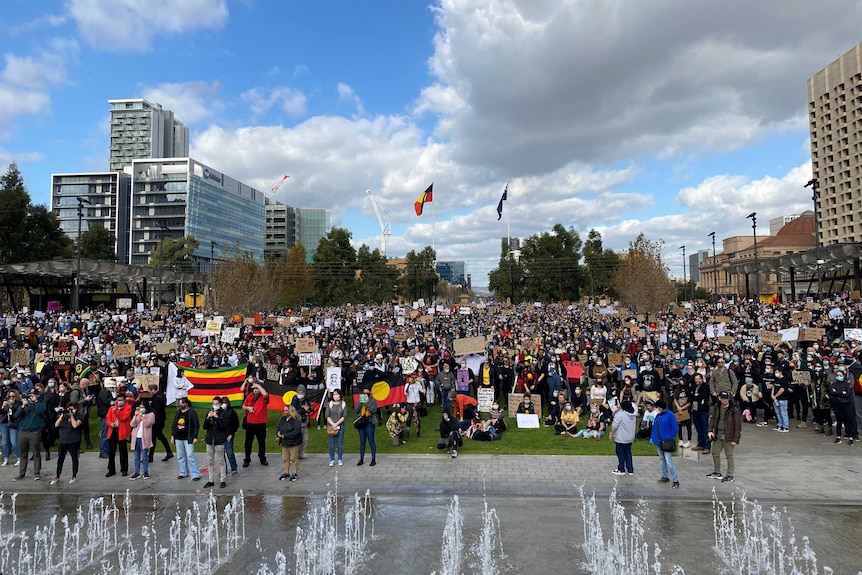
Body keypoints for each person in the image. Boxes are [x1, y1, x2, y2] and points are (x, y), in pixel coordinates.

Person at [706, 390, 742, 483]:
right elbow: (712, 419)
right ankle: (717, 472)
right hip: (718, 434)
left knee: (729, 455)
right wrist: (710, 430)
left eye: (726, 399)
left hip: (729, 436)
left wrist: (736, 439)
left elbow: (738, 426)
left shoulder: (734, 410)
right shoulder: (717, 407)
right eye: (723, 398)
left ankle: (730, 475)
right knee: (715, 452)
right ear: (719, 398)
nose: (724, 400)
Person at [50, 401, 83, 484]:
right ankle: (57, 475)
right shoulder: (64, 417)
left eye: (72, 409)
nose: (70, 410)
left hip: (74, 440)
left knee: (74, 458)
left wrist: (72, 416)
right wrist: (62, 415)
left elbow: (75, 425)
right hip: (63, 440)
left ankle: (74, 475)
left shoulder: (79, 416)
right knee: (60, 458)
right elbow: (56, 425)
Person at [650, 399, 679, 489]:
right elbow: (655, 428)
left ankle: (675, 479)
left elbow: (675, 428)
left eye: (658, 407)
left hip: (666, 441)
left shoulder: (670, 415)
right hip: (659, 441)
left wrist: (669, 436)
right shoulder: (658, 416)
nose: (657, 409)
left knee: (669, 461)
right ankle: (665, 476)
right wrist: (653, 438)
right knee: (662, 459)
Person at [170, 397, 201, 481]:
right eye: (180, 403)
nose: (181, 405)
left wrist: (195, 436)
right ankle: (183, 472)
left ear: (187, 404)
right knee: (180, 456)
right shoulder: (178, 413)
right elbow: (174, 425)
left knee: (190, 455)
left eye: (182, 403)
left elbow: (196, 425)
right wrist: (173, 435)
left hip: (188, 437)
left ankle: (195, 474)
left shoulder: (192, 412)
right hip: (178, 437)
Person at [203, 396, 230, 489]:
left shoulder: (224, 413)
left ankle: (223, 480)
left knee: (221, 461)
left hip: (219, 441)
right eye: (213, 404)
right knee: (210, 461)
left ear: (220, 404)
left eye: (217, 404)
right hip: (210, 440)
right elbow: (205, 427)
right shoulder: (210, 412)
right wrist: (208, 417)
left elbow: (224, 426)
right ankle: (211, 480)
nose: (215, 406)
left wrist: (217, 417)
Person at [242, 379, 269, 467]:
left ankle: (262, 458)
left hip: (261, 423)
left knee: (261, 442)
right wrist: (248, 408)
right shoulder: (250, 395)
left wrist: (258, 385)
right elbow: (243, 406)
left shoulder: (263, 397)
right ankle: (247, 459)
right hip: (250, 423)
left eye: (257, 387)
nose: (255, 389)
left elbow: (265, 394)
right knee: (248, 442)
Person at [105, 392, 133, 477]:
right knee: (111, 451)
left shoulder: (128, 408)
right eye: (118, 400)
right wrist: (110, 424)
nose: (119, 402)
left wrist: (116, 411)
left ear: (124, 400)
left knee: (123, 451)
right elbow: (108, 418)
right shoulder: (112, 408)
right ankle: (111, 469)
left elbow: (123, 418)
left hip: (122, 431)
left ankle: (124, 469)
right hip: (113, 430)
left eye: (121, 400)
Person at [830, 366, 858, 445]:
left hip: (847, 404)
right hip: (838, 404)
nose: (839, 377)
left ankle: (851, 436)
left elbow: (848, 393)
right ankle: (838, 436)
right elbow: (832, 392)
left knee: (849, 420)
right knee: (839, 420)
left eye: (840, 375)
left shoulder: (847, 384)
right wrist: (841, 392)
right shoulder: (834, 384)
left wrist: (837, 392)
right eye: (837, 375)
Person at [147, 383, 173, 463]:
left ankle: (151, 456)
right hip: (160, 420)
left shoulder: (157, 399)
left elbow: (155, 411)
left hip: (157, 421)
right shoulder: (161, 395)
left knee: (154, 437)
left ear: (152, 390)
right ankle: (168, 452)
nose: (149, 393)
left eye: (149, 391)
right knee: (160, 436)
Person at [129, 401, 155, 480]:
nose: (141, 409)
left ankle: (145, 472)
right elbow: (132, 424)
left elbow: (148, 424)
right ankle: (137, 472)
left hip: (144, 438)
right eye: (140, 407)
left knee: (144, 456)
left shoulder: (151, 415)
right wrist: (135, 415)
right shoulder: (138, 415)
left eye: (142, 407)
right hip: (136, 438)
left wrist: (143, 417)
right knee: (136, 457)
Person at [277, 405, 302, 481]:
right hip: (284, 443)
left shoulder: (295, 420)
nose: (284, 412)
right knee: (285, 458)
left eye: (286, 410)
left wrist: (286, 435)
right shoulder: (283, 419)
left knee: (293, 458)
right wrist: (278, 433)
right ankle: (286, 472)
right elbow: (278, 427)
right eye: (284, 410)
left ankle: (295, 473)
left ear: (290, 411)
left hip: (293, 442)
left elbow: (297, 431)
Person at [611, 400, 636, 475]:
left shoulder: (620, 415)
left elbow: (615, 425)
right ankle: (630, 469)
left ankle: (621, 469)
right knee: (628, 453)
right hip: (630, 437)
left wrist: (611, 432)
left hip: (621, 437)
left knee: (620, 453)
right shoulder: (633, 415)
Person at [355, 386, 378, 466]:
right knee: (362, 441)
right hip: (362, 422)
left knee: (371, 440)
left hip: (369, 422)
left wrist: (367, 404)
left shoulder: (373, 400)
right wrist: (361, 403)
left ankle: (373, 458)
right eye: (363, 393)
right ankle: (361, 458)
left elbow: (374, 410)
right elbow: (356, 410)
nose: (365, 394)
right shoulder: (360, 400)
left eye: (366, 393)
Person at [325, 389, 348, 466]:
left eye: (337, 394)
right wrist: (333, 424)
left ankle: (340, 459)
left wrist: (337, 424)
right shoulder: (330, 404)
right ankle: (332, 459)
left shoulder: (343, 404)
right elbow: (327, 415)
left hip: (340, 425)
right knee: (331, 443)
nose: (335, 396)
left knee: (339, 443)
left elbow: (344, 416)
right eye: (334, 394)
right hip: (331, 425)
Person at [290, 384, 312, 459]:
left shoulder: (306, 399)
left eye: (302, 392)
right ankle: (294, 455)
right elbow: (295, 411)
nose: (300, 394)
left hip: (304, 422)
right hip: (297, 423)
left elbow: (310, 407)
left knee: (305, 439)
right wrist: (303, 409)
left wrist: (309, 409)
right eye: (299, 392)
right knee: (297, 440)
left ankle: (300, 455)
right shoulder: (295, 400)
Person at [0, 390, 22, 466]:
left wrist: (12, 406)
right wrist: (3, 406)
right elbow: (1, 412)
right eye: (10, 396)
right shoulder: (5, 402)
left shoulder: (18, 403)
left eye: (13, 396)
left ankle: (19, 457)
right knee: (5, 442)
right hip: (4, 423)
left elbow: (17, 413)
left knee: (14, 441)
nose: (11, 398)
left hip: (13, 423)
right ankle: (6, 458)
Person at [220, 396, 241, 475]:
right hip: (220, 436)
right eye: (222, 403)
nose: (224, 404)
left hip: (228, 435)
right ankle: (223, 470)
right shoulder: (219, 412)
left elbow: (236, 424)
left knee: (230, 453)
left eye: (225, 403)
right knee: (221, 454)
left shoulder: (232, 412)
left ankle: (234, 469)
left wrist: (231, 434)